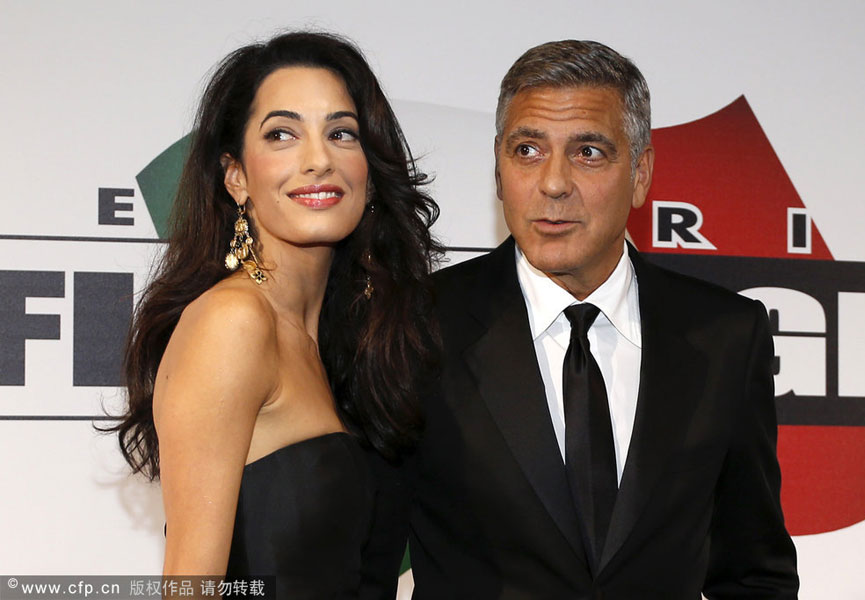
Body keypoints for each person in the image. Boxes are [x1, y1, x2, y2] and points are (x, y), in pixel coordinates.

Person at [397, 40, 799, 598]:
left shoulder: (728, 336)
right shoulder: (414, 326)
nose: (554, 182)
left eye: (588, 152)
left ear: (640, 173)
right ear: (498, 169)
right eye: (528, 150)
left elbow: (756, 573)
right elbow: (361, 560)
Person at [112, 31, 439, 598]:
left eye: (341, 133)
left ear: (368, 167)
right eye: (283, 134)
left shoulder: (347, 343)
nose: (318, 160)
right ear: (236, 176)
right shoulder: (234, 322)